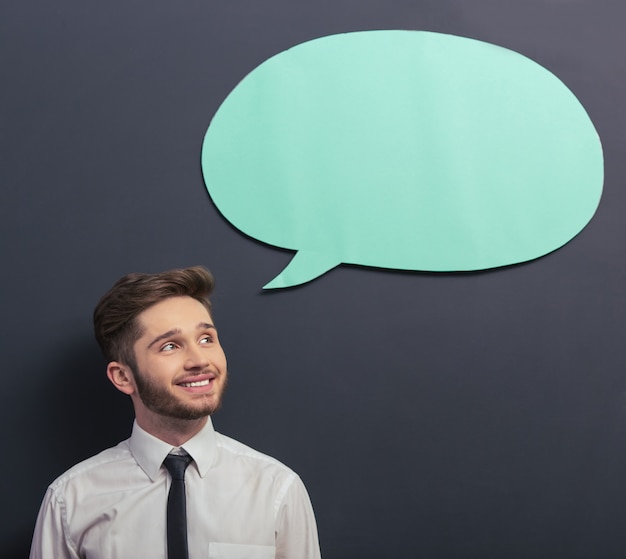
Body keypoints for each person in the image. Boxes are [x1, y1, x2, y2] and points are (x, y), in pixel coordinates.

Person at [29, 265, 321, 559]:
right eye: (170, 346)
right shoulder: (70, 500)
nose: (199, 360)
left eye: (206, 339)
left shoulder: (277, 490)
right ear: (123, 377)